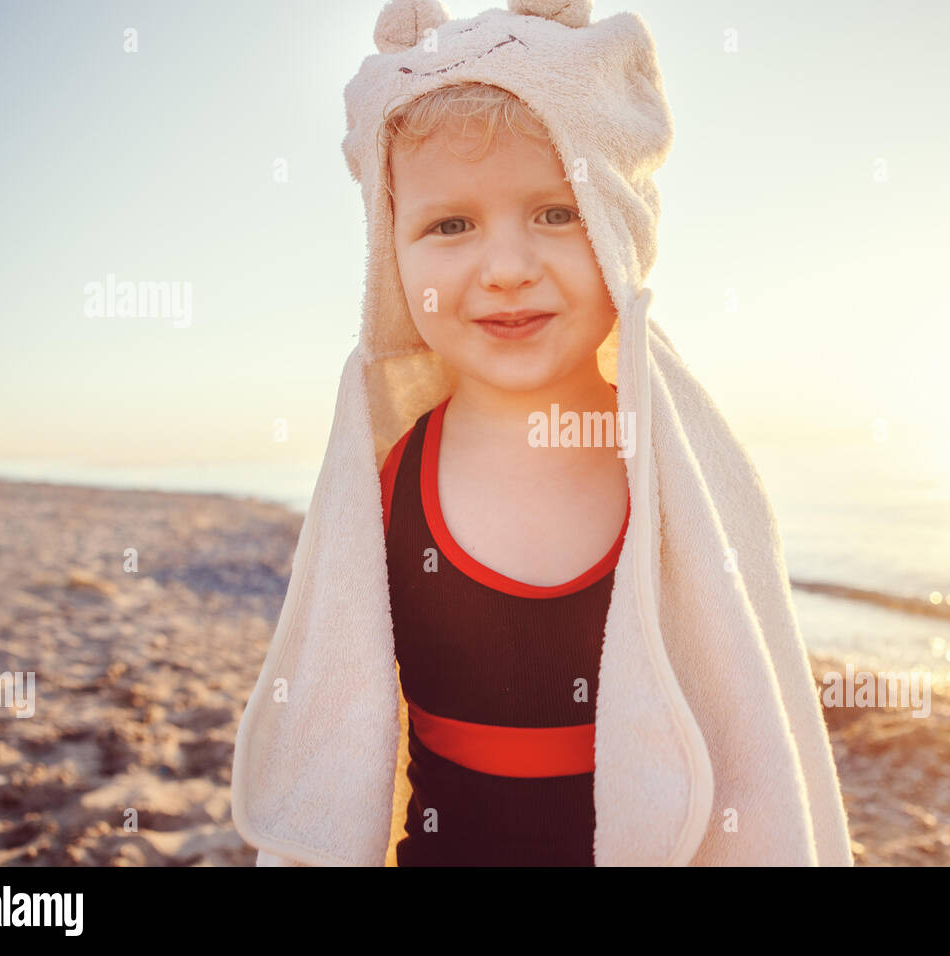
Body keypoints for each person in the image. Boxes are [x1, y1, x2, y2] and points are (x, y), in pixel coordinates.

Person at [231, 0, 854, 867]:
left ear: (620, 223)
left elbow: (758, 735)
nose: (509, 267)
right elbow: (341, 737)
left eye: (556, 213)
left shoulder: (685, 479)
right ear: (391, 256)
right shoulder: (384, 485)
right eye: (450, 225)